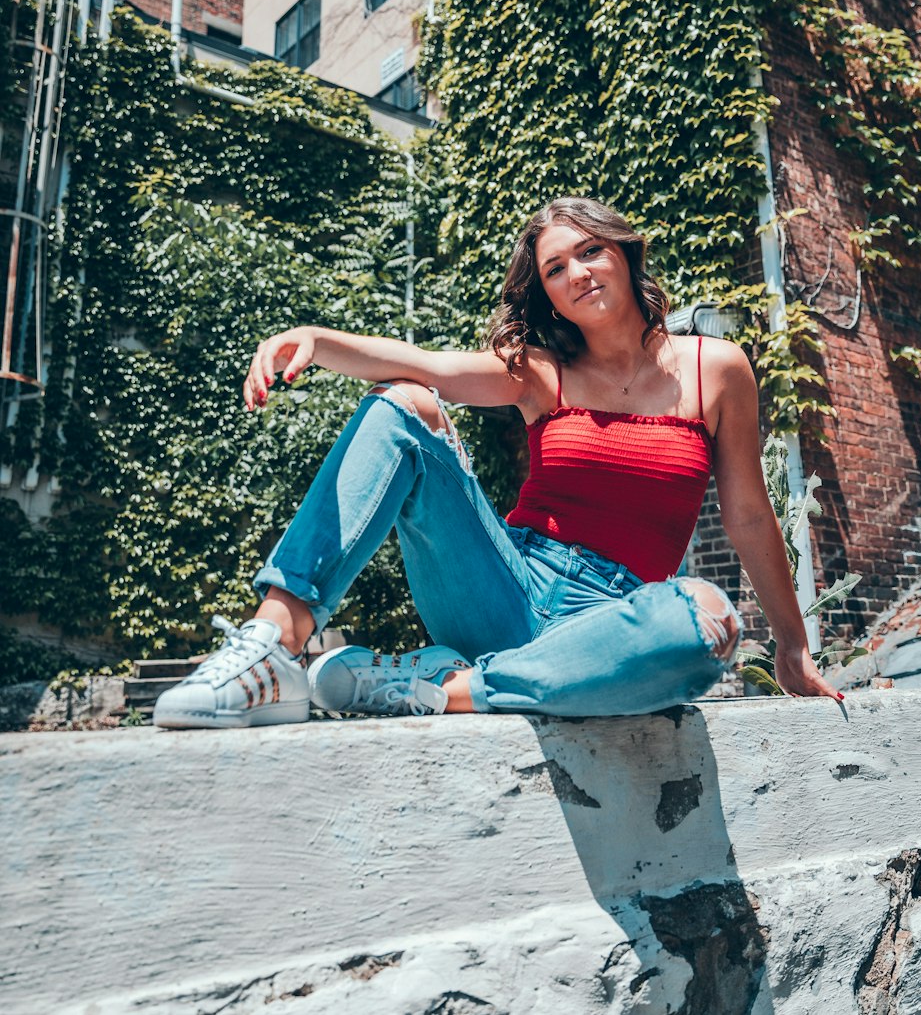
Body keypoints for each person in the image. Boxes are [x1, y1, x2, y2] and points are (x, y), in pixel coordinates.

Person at [153, 196, 843, 728]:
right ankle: (276, 642)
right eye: (555, 269)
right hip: (503, 587)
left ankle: (439, 688)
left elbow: (750, 515)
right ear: (545, 293)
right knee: (404, 404)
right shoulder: (541, 371)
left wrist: (792, 645)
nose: (578, 273)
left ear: (626, 255)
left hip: (609, 622)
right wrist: (315, 338)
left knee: (708, 618)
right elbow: (422, 365)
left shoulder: (718, 370)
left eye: (590, 251)